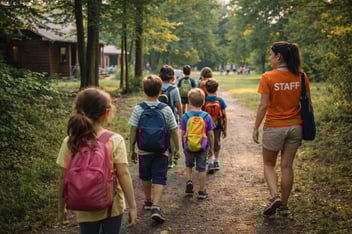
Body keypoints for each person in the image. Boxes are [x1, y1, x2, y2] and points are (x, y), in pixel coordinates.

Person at [57, 87, 137, 234]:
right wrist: (132, 206)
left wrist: (61, 208)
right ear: (106, 113)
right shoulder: (114, 140)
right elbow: (124, 174)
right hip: (112, 207)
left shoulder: (70, 141)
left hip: (84, 206)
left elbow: (64, 177)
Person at [252, 41, 313, 216]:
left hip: (274, 127)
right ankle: (284, 206)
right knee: (287, 166)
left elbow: (263, 106)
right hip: (295, 127)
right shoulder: (301, 76)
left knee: (269, 164)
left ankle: (274, 197)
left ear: (279, 57)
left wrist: (256, 127)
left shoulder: (268, 77)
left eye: (271, 54)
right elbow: (309, 105)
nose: (270, 58)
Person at [129, 75, 180, 222]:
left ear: (144, 90)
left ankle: (147, 200)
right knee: (159, 177)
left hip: (143, 150)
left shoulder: (139, 109)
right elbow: (173, 131)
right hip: (161, 150)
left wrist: (131, 149)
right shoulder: (166, 109)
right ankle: (156, 207)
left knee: (146, 176)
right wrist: (176, 149)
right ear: (160, 91)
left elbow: (133, 130)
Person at [180, 88, 215, 199]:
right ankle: (202, 190)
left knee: (188, 165)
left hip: (189, 146)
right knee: (201, 168)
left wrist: (183, 145)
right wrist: (211, 148)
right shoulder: (206, 116)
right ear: (203, 102)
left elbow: (182, 133)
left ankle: (189, 181)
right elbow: (211, 134)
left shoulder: (186, 116)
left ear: (189, 102)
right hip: (202, 146)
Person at [159, 65, 182, 169]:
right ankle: (170, 160)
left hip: (158, 117)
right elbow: (178, 104)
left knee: (160, 136)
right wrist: (181, 117)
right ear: (172, 76)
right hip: (171, 116)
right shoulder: (174, 89)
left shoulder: (157, 87)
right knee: (172, 137)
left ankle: (160, 157)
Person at [202, 78, 227, 173]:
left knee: (208, 143)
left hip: (206, 127)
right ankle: (216, 161)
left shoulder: (204, 101)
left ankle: (210, 162)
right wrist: (225, 129)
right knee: (217, 142)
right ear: (217, 89)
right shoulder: (220, 101)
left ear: (206, 89)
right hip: (218, 126)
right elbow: (225, 115)